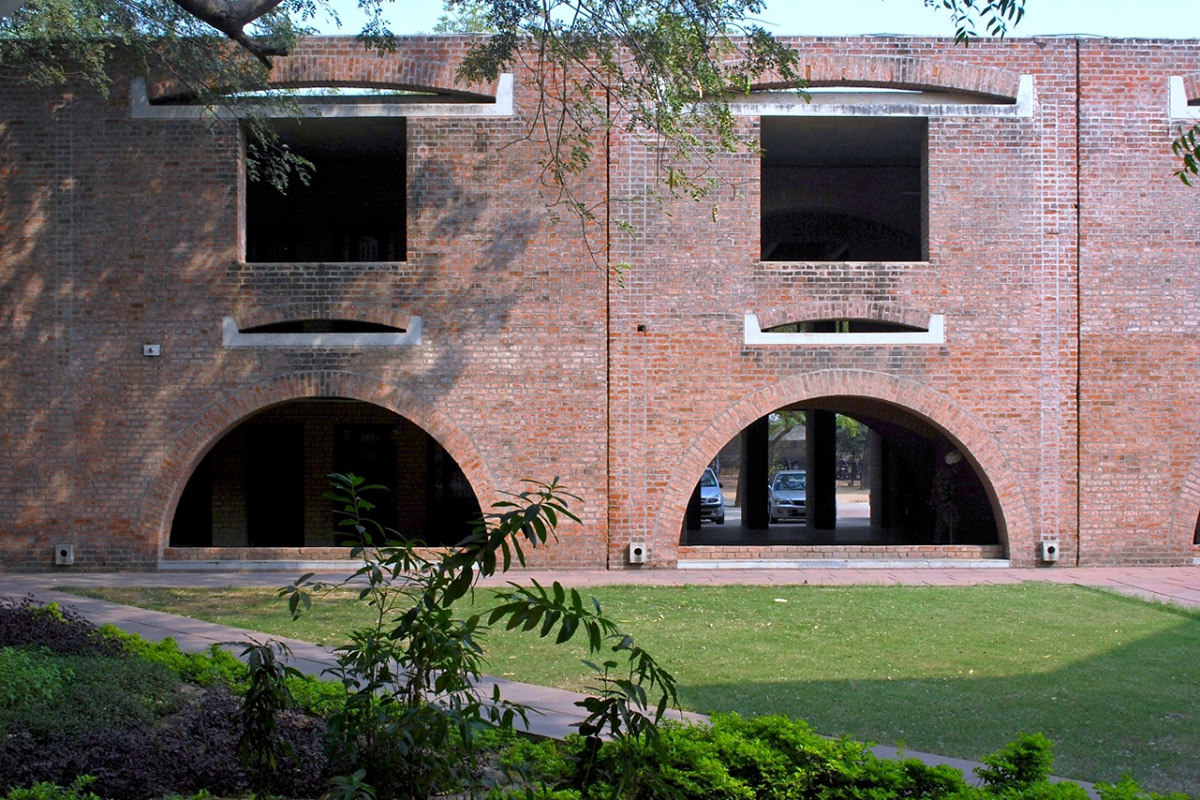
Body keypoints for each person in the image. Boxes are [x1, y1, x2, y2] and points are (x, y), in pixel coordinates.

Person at [930, 450, 962, 544]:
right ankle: (952, 545)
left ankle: (939, 543)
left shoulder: (946, 472)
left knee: (941, 525)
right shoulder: (946, 473)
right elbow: (941, 489)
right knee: (951, 524)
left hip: (941, 503)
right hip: (944, 504)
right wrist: (948, 501)